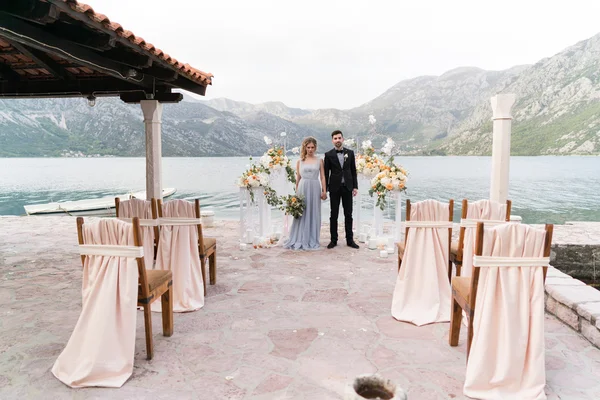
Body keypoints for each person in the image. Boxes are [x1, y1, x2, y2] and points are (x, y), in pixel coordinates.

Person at [283, 137, 327, 250]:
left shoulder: (319, 160)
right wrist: (296, 194)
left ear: (315, 148)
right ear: (305, 148)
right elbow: (298, 178)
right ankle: (299, 237)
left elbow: (322, 176)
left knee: (313, 212)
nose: (310, 149)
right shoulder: (300, 161)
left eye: (312, 147)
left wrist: (324, 190)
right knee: (302, 213)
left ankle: (311, 238)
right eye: (308, 147)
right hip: (302, 188)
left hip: (315, 187)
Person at [324, 130, 359, 249]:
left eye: (339, 138)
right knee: (333, 215)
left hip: (348, 187)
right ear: (332, 140)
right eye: (335, 138)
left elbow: (353, 171)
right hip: (334, 188)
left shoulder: (350, 153)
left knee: (348, 214)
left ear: (343, 139)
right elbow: (325, 173)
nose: (338, 140)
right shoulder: (328, 155)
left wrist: (355, 186)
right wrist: (326, 189)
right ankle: (333, 240)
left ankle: (350, 240)